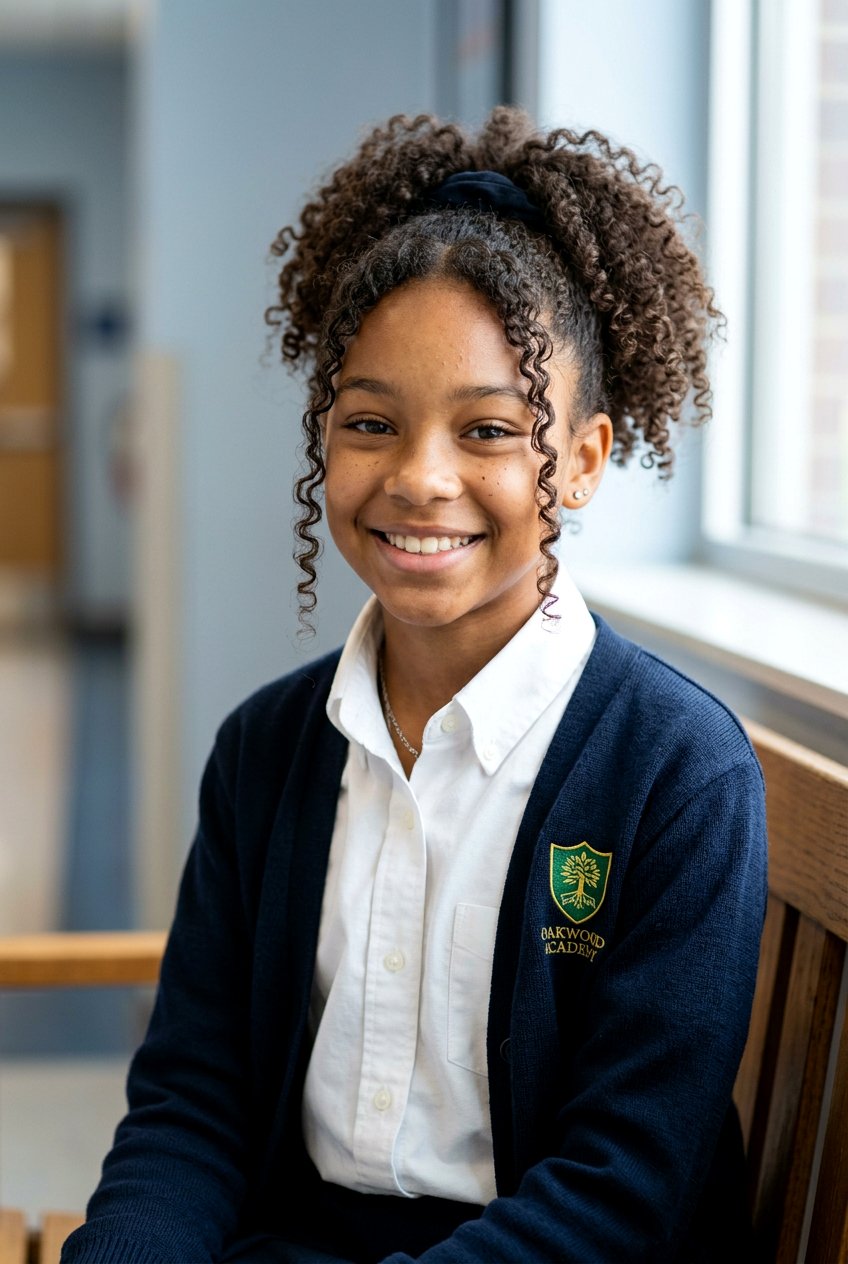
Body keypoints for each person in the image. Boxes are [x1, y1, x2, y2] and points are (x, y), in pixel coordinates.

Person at [61, 108, 767, 1264]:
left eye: (488, 429)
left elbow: (620, 1189)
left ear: (582, 459)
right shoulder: (264, 752)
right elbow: (194, 1103)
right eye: (369, 422)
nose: (419, 478)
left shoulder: (676, 774)